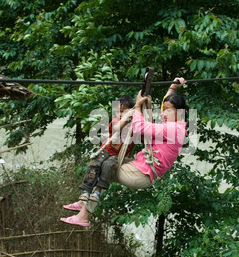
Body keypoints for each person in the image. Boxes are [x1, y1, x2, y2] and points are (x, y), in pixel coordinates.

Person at [61, 78, 188, 227]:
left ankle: (83, 214)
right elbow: (164, 106)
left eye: (168, 110)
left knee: (106, 167)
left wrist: (137, 106)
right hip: (141, 166)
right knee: (102, 162)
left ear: (179, 112)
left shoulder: (174, 129)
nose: (164, 113)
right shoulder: (172, 122)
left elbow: (141, 128)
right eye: (164, 109)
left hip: (142, 174)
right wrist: (173, 86)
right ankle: (84, 202)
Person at [60, 96, 135, 226]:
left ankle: (97, 192)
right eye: (118, 111)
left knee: (108, 165)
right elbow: (117, 128)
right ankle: (85, 192)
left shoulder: (134, 125)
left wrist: (134, 114)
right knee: (95, 163)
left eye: (124, 111)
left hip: (117, 156)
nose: (120, 114)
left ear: (130, 111)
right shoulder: (117, 121)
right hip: (107, 150)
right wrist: (125, 116)